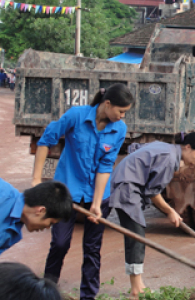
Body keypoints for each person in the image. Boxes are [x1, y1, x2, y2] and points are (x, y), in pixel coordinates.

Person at [32, 83, 135, 300]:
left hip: (97, 194)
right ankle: (46, 291)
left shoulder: (119, 129)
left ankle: (88, 296)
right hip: (65, 192)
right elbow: (46, 140)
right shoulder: (76, 116)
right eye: (121, 111)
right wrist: (36, 179)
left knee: (92, 249)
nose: (122, 116)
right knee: (59, 243)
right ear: (107, 104)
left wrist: (97, 204)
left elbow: (106, 166)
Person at [109, 132, 195, 298]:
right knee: (137, 235)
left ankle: (139, 284)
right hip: (126, 186)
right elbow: (153, 193)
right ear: (188, 147)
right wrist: (170, 212)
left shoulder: (167, 149)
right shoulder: (169, 159)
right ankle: (136, 288)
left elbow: (136, 149)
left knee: (137, 233)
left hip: (128, 182)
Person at [0, 179, 73, 255]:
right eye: (51, 223)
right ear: (41, 211)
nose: (48, 227)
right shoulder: (2, 194)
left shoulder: (12, 233)